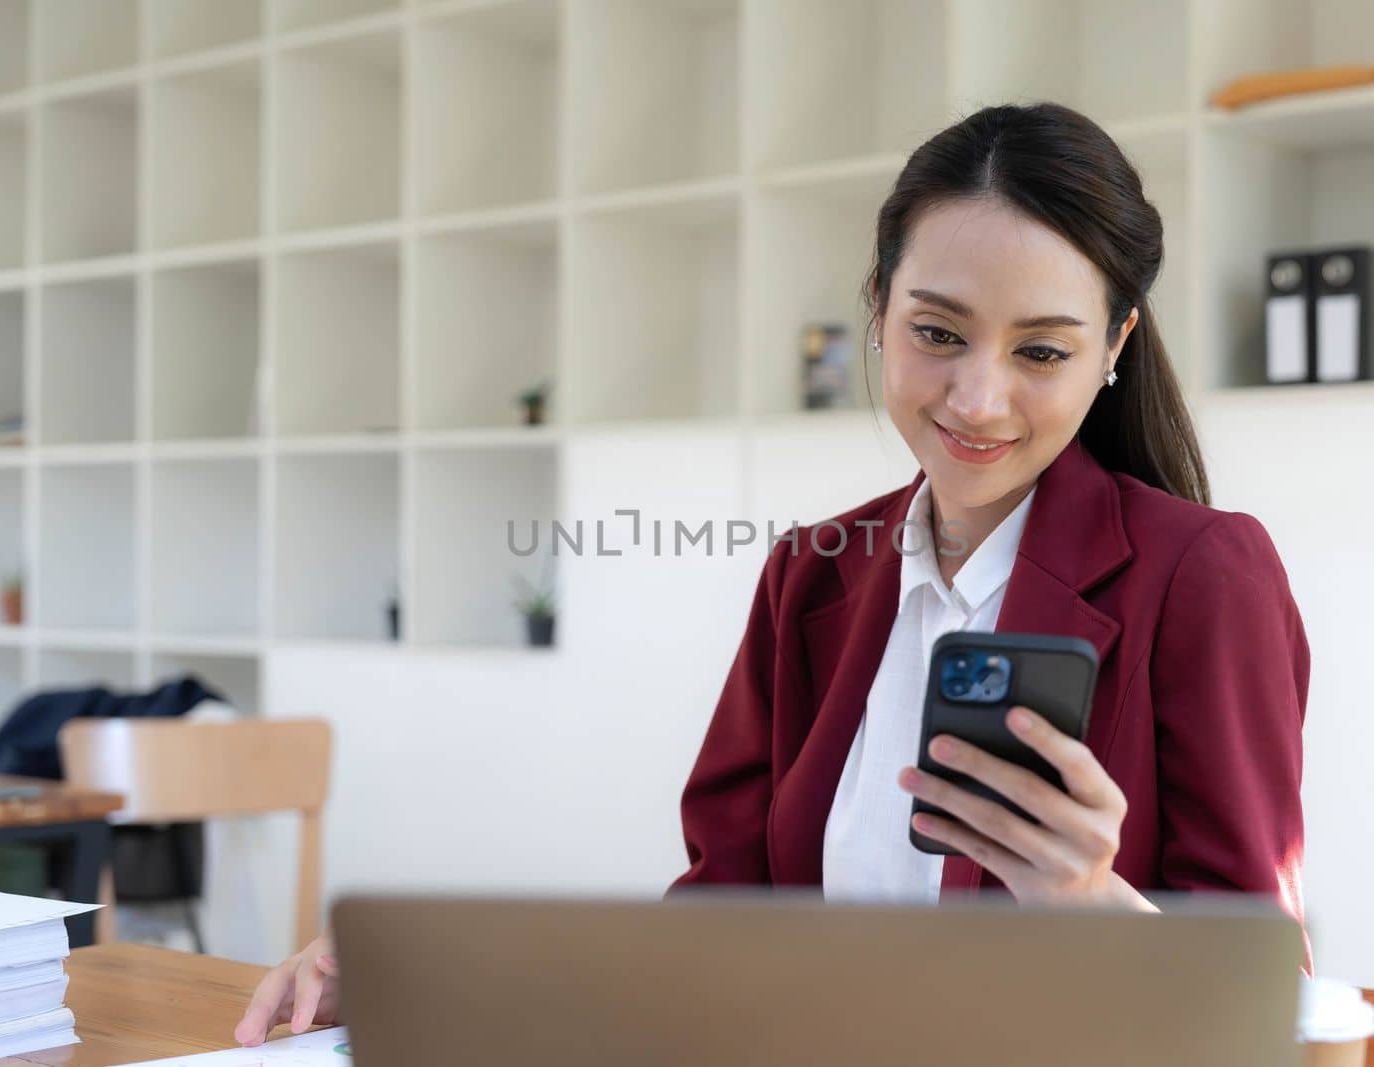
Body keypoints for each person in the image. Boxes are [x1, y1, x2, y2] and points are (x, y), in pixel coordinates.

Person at [233, 101, 1311, 1047]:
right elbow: (722, 922)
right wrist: (426, 985)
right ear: (879, 306)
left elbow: (1273, 996)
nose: (977, 399)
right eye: (937, 331)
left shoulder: (1202, 573)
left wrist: (1087, 900)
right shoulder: (813, 575)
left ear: (1114, 343)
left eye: (1040, 350)